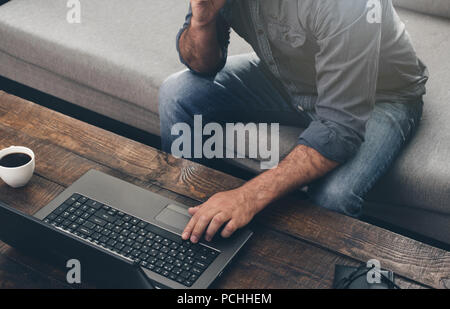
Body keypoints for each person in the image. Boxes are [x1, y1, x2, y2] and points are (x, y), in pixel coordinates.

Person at [159, 0, 428, 244]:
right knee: (178, 95)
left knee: (334, 196)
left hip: (379, 95)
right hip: (289, 76)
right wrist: (202, 20)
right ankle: (194, 225)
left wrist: (246, 197)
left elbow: (340, 129)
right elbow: (201, 64)